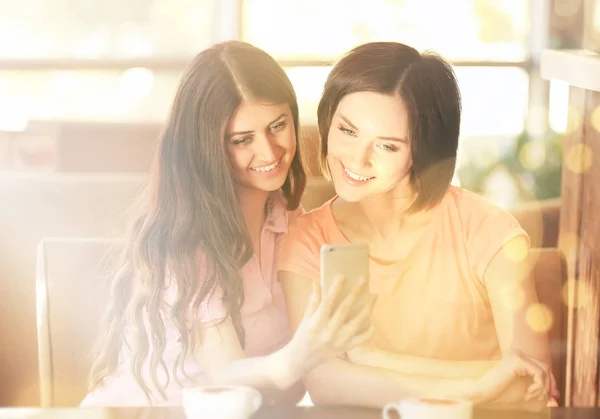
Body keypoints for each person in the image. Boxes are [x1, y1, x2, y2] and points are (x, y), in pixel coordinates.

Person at [81, 40, 372, 406]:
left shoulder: (290, 223)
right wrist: (301, 356)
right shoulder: (187, 243)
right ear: (209, 146)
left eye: (277, 126)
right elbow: (225, 375)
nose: (269, 152)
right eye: (243, 140)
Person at [278, 41, 559, 411]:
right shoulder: (306, 239)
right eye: (348, 131)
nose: (357, 159)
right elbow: (326, 383)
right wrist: (483, 384)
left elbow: (529, 390)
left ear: (423, 152)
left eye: (388, 147)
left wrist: (369, 360)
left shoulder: (488, 230)